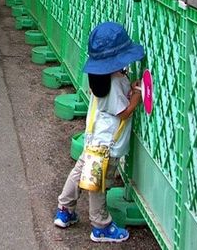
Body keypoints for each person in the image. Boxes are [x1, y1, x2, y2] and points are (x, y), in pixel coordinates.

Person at [53, 22, 145, 243]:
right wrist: (137, 97)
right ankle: (100, 225)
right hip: (107, 145)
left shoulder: (102, 79)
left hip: (94, 138)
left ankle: (64, 209)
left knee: (80, 172)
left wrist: (129, 88)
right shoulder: (112, 82)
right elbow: (123, 112)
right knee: (99, 183)